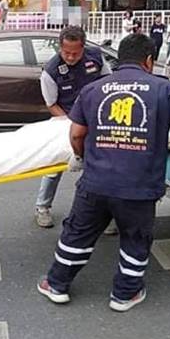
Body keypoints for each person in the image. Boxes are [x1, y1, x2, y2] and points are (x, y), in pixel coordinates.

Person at [37, 33, 170, 312]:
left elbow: (76, 134)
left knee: (78, 234)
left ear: (119, 59)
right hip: (140, 184)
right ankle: (125, 294)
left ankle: (57, 285)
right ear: (149, 60)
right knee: (135, 238)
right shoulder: (162, 88)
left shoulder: (93, 89)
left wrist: (81, 157)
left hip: (95, 182)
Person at [35, 26, 111, 228]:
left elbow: (109, 83)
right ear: (60, 47)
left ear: (83, 47)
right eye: (66, 52)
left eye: (75, 53)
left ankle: (104, 214)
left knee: (101, 168)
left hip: (97, 119)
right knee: (54, 167)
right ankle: (42, 207)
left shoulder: (96, 57)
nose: (70, 57)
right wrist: (73, 125)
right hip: (66, 120)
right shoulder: (51, 71)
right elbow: (51, 104)